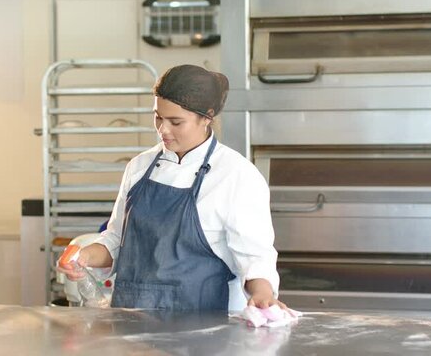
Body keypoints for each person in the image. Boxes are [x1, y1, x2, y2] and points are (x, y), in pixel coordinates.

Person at [58, 64, 285, 311]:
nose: (163, 130)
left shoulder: (236, 175)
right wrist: (83, 256)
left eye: (176, 122)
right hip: (131, 322)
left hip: (203, 329)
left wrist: (263, 293)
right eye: (158, 117)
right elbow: (115, 239)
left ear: (207, 117)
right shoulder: (139, 167)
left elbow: (255, 257)